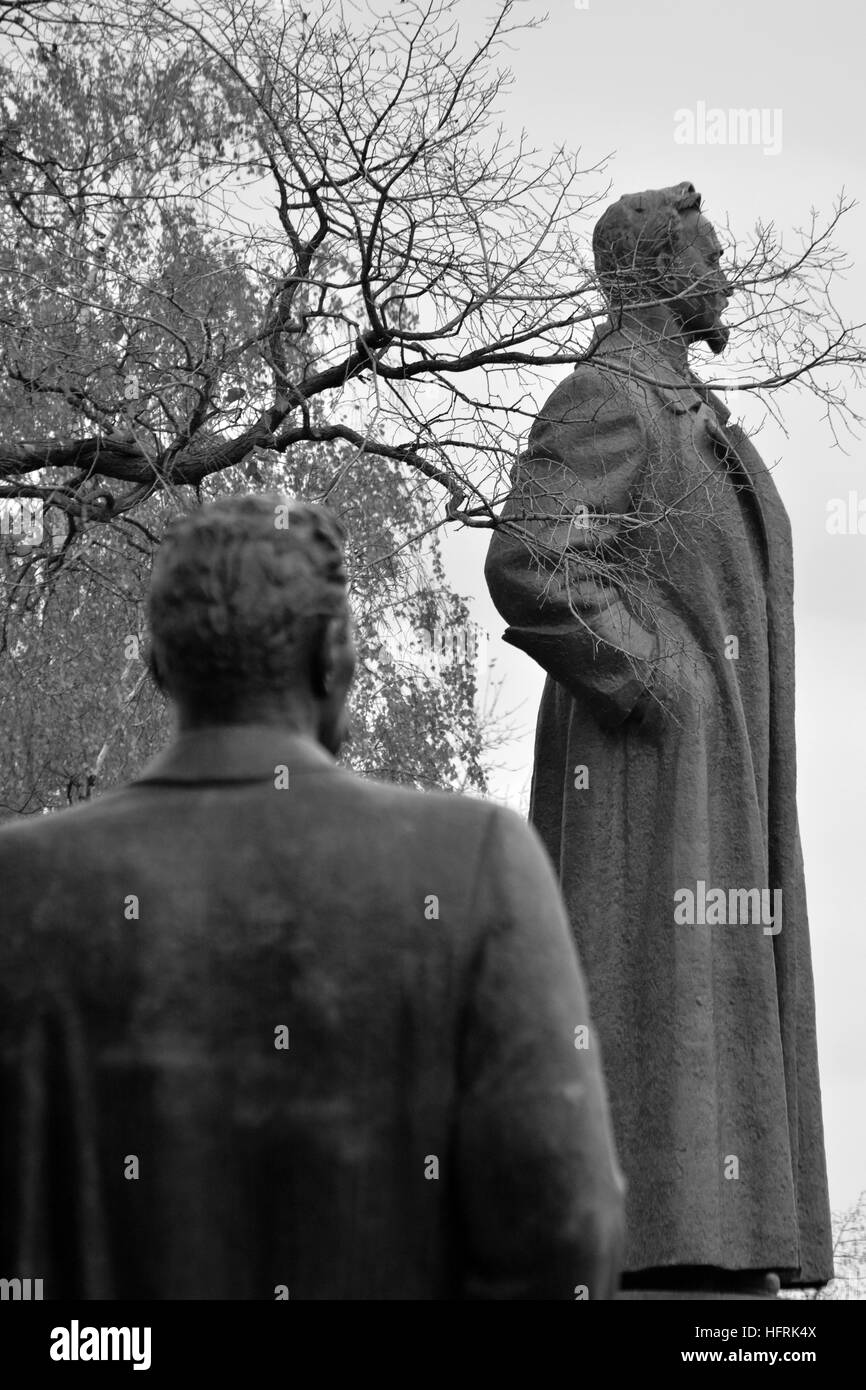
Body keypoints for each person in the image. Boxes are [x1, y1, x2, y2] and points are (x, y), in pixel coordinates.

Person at [0, 493, 624, 1300]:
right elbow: (569, 1232)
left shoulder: (21, 882)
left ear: (160, 662)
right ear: (332, 655)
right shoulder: (474, 861)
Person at [485, 183, 833, 1298]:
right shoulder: (610, 396)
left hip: (714, 783)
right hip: (647, 786)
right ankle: (676, 1237)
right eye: (710, 252)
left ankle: (724, 1236)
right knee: (661, 1002)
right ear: (651, 271)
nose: (728, 271)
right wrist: (653, 674)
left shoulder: (686, 407)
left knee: (711, 1006)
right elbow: (530, 559)